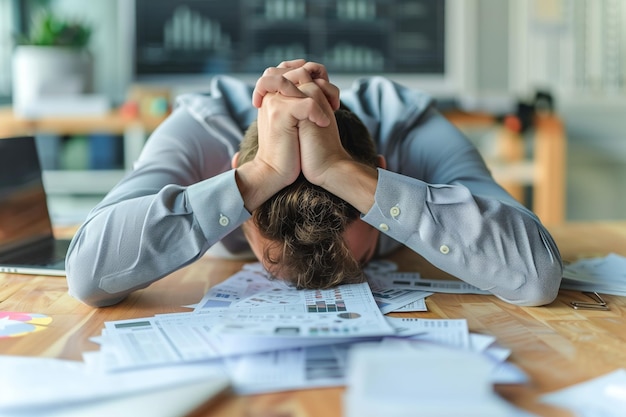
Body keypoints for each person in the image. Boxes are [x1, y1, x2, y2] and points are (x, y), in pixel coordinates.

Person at [65, 59, 563, 308]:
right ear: (230, 165)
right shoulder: (200, 129)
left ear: (385, 168)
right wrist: (259, 177)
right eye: (270, 263)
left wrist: (342, 173)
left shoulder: (411, 125)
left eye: (360, 260)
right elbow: (88, 272)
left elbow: (536, 274)